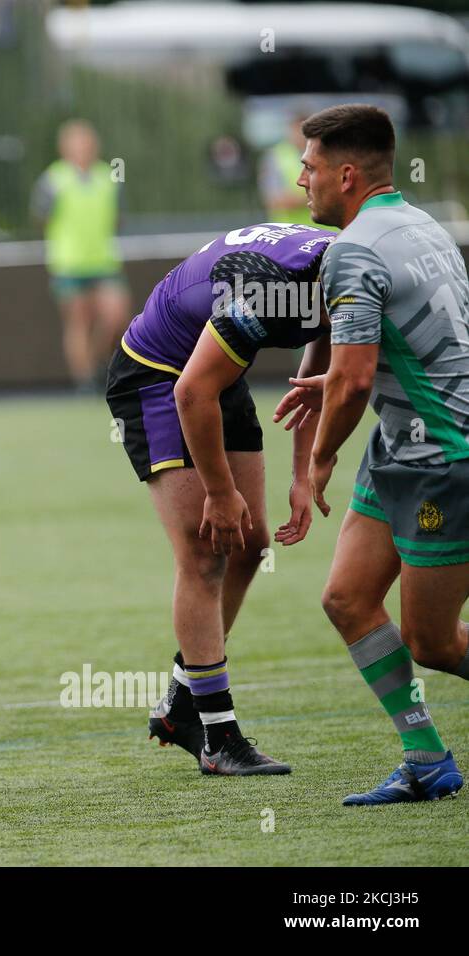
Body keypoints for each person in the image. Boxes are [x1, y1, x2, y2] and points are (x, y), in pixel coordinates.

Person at [275, 103, 468, 805]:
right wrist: (344, 379)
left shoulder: (352, 250)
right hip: (400, 442)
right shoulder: (419, 223)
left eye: (310, 167)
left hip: (441, 458)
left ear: (346, 174)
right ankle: (427, 760)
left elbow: (354, 379)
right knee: (348, 598)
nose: (302, 180)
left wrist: (318, 456)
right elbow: (399, 347)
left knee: (434, 642)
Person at [105, 219, 336, 775]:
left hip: (213, 373)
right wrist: (218, 491)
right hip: (161, 378)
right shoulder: (264, 287)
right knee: (206, 555)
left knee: (252, 543)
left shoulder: (351, 270)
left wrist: (302, 475)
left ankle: (183, 701)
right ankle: (217, 735)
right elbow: (189, 391)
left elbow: (319, 372)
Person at [32, 119, 130, 393]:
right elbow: (40, 217)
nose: (84, 148)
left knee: (116, 316)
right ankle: (85, 382)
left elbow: (118, 218)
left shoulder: (108, 176)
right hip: (68, 264)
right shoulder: (53, 179)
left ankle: (99, 363)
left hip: (104, 262)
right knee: (79, 322)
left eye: (87, 142)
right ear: (64, 148)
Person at [258, 115, 315, 226]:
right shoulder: (275, 157)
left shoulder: (327, 153)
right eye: (297, 130)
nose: (301, 136)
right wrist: (318, 197)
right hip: (289, 234)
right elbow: (275, 201)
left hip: (326, 235)